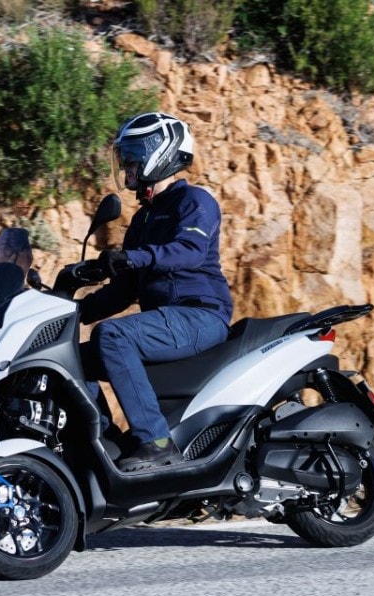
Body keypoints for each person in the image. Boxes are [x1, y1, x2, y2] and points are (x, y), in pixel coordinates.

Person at [80, 112, 234, 472]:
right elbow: (123, 292)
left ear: (161, 153)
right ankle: (108, 444)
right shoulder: (143, 219)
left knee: (113, 335)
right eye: (125, 157)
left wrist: (132, 258)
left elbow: (189, 251)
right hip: (168, 320)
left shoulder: (194, 201)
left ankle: (156, 443)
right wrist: (73, 312)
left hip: (200, 315)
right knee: (74, 360)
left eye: (133, 155)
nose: (127, 165)